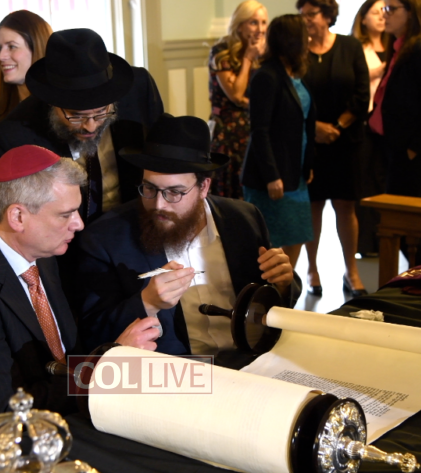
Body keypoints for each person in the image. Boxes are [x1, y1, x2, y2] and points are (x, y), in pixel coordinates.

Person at [0, 145, 160, 473]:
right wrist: (108, 363)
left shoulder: (44, 256)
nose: (79, 225)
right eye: (65, 214)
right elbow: (6, 412)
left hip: (57, 422)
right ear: (18, 216)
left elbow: (64, 358)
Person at [77, 115, 300, 356]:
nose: (159, 204)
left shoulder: (244, 219)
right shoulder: (106, 238)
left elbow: (275, 301)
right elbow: (91, 333)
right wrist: (147, 303)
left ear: (204, 187)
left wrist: (284, 284)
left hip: (253, 358)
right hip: (177, 375)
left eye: (174, 192)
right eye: (149, 188)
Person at [0, 28, 164, 226]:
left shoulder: (139, 89)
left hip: (134, 223)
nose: (90, 126)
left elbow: (159, 157)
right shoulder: (15, 135)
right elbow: (15, 220)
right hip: (63, 241)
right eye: (76, 115)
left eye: (101, 113)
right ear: (52, 103)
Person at [297, 0, 370, 297]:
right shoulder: (298, 51)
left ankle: (350, 271)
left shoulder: (350, 47)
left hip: (345, 141)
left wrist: (336, 128)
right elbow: (291, 96)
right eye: (302, 15)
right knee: (312, 207)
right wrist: (316, 130)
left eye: (311, 14)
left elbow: (362, 94)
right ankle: (312, 269)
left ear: (327, 16)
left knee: (345, 205)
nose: (306, 21)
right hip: (309, 142)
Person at [370, 0, 421, 264]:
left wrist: (413, 147)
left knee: (408, 225)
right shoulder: (402, 46)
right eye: (384, 8)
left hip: (413, 151)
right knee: (397, 221)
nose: (384, 14)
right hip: (396, 145)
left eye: (392, 9)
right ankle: (420, 275)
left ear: (412, 13)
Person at [241, 14, 315, 271]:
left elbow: (304, 123)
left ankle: (285, 295)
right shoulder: (266, 76)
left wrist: (308, 165)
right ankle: (268, 299)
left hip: (295, 173)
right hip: (272, 177)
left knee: (296, 237)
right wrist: (272, 175)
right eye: (304, 35)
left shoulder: (294, 74)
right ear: (292, 41)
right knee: (272, 245)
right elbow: (259, 131)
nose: (309, 39)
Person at [0, 10, 51, 229]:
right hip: (14, 231)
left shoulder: (63, 113)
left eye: (11, 46)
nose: (1, 56)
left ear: (38, 50)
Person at [207, 0, 267, 199]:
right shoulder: (221, 52)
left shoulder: (265, 53)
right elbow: (236, 95)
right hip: (228, 132)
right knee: (230, 191)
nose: (260, 29)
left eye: (263, 23)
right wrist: (248, 58)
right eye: (253, 23)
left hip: (255, 128)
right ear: (239, 24)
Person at [351, 0, 389, 258]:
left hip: (388, 125)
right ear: (363, 18)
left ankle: (382, 238)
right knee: (364, 182)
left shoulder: (395, 44)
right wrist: (378, 71)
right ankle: (365, 243)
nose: (381, 17)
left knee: (383, 181)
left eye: (385, 11)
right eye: (375, 12)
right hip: (365, 122)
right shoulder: (356, 47)